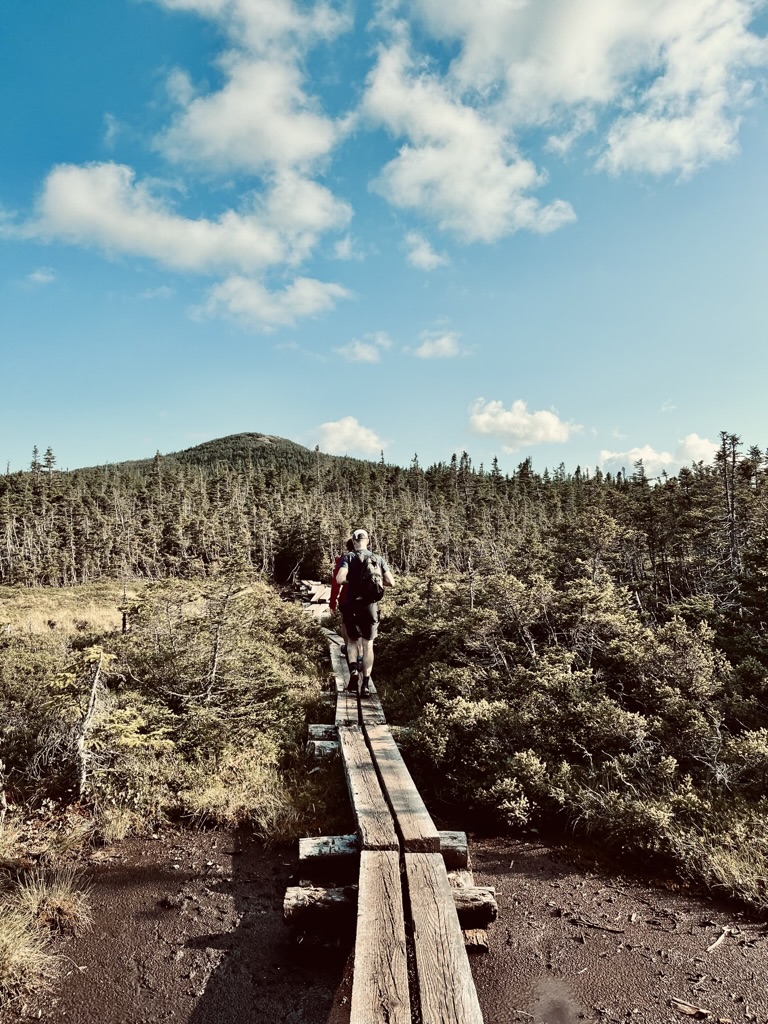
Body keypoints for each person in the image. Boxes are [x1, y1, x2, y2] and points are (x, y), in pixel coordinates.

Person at [335, 528, 394, 696]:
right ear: (367, 540)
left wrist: (352, 580)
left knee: (352, 641)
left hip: (352, 605)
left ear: (353, 541)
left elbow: (339, 579)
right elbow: (392, 582)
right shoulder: (378, 558)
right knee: (368, 645)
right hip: (370, 607)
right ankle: (366, 685)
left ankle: (353, 670)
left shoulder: (348, 557)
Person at [329, 538, 355, 662]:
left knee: (345, 624)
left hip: (346, 598)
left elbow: (336, 584)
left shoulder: (343, 560)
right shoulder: (368, 558)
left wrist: (332, 603)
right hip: (364, 600)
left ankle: (349, 651)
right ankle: (359, 655)